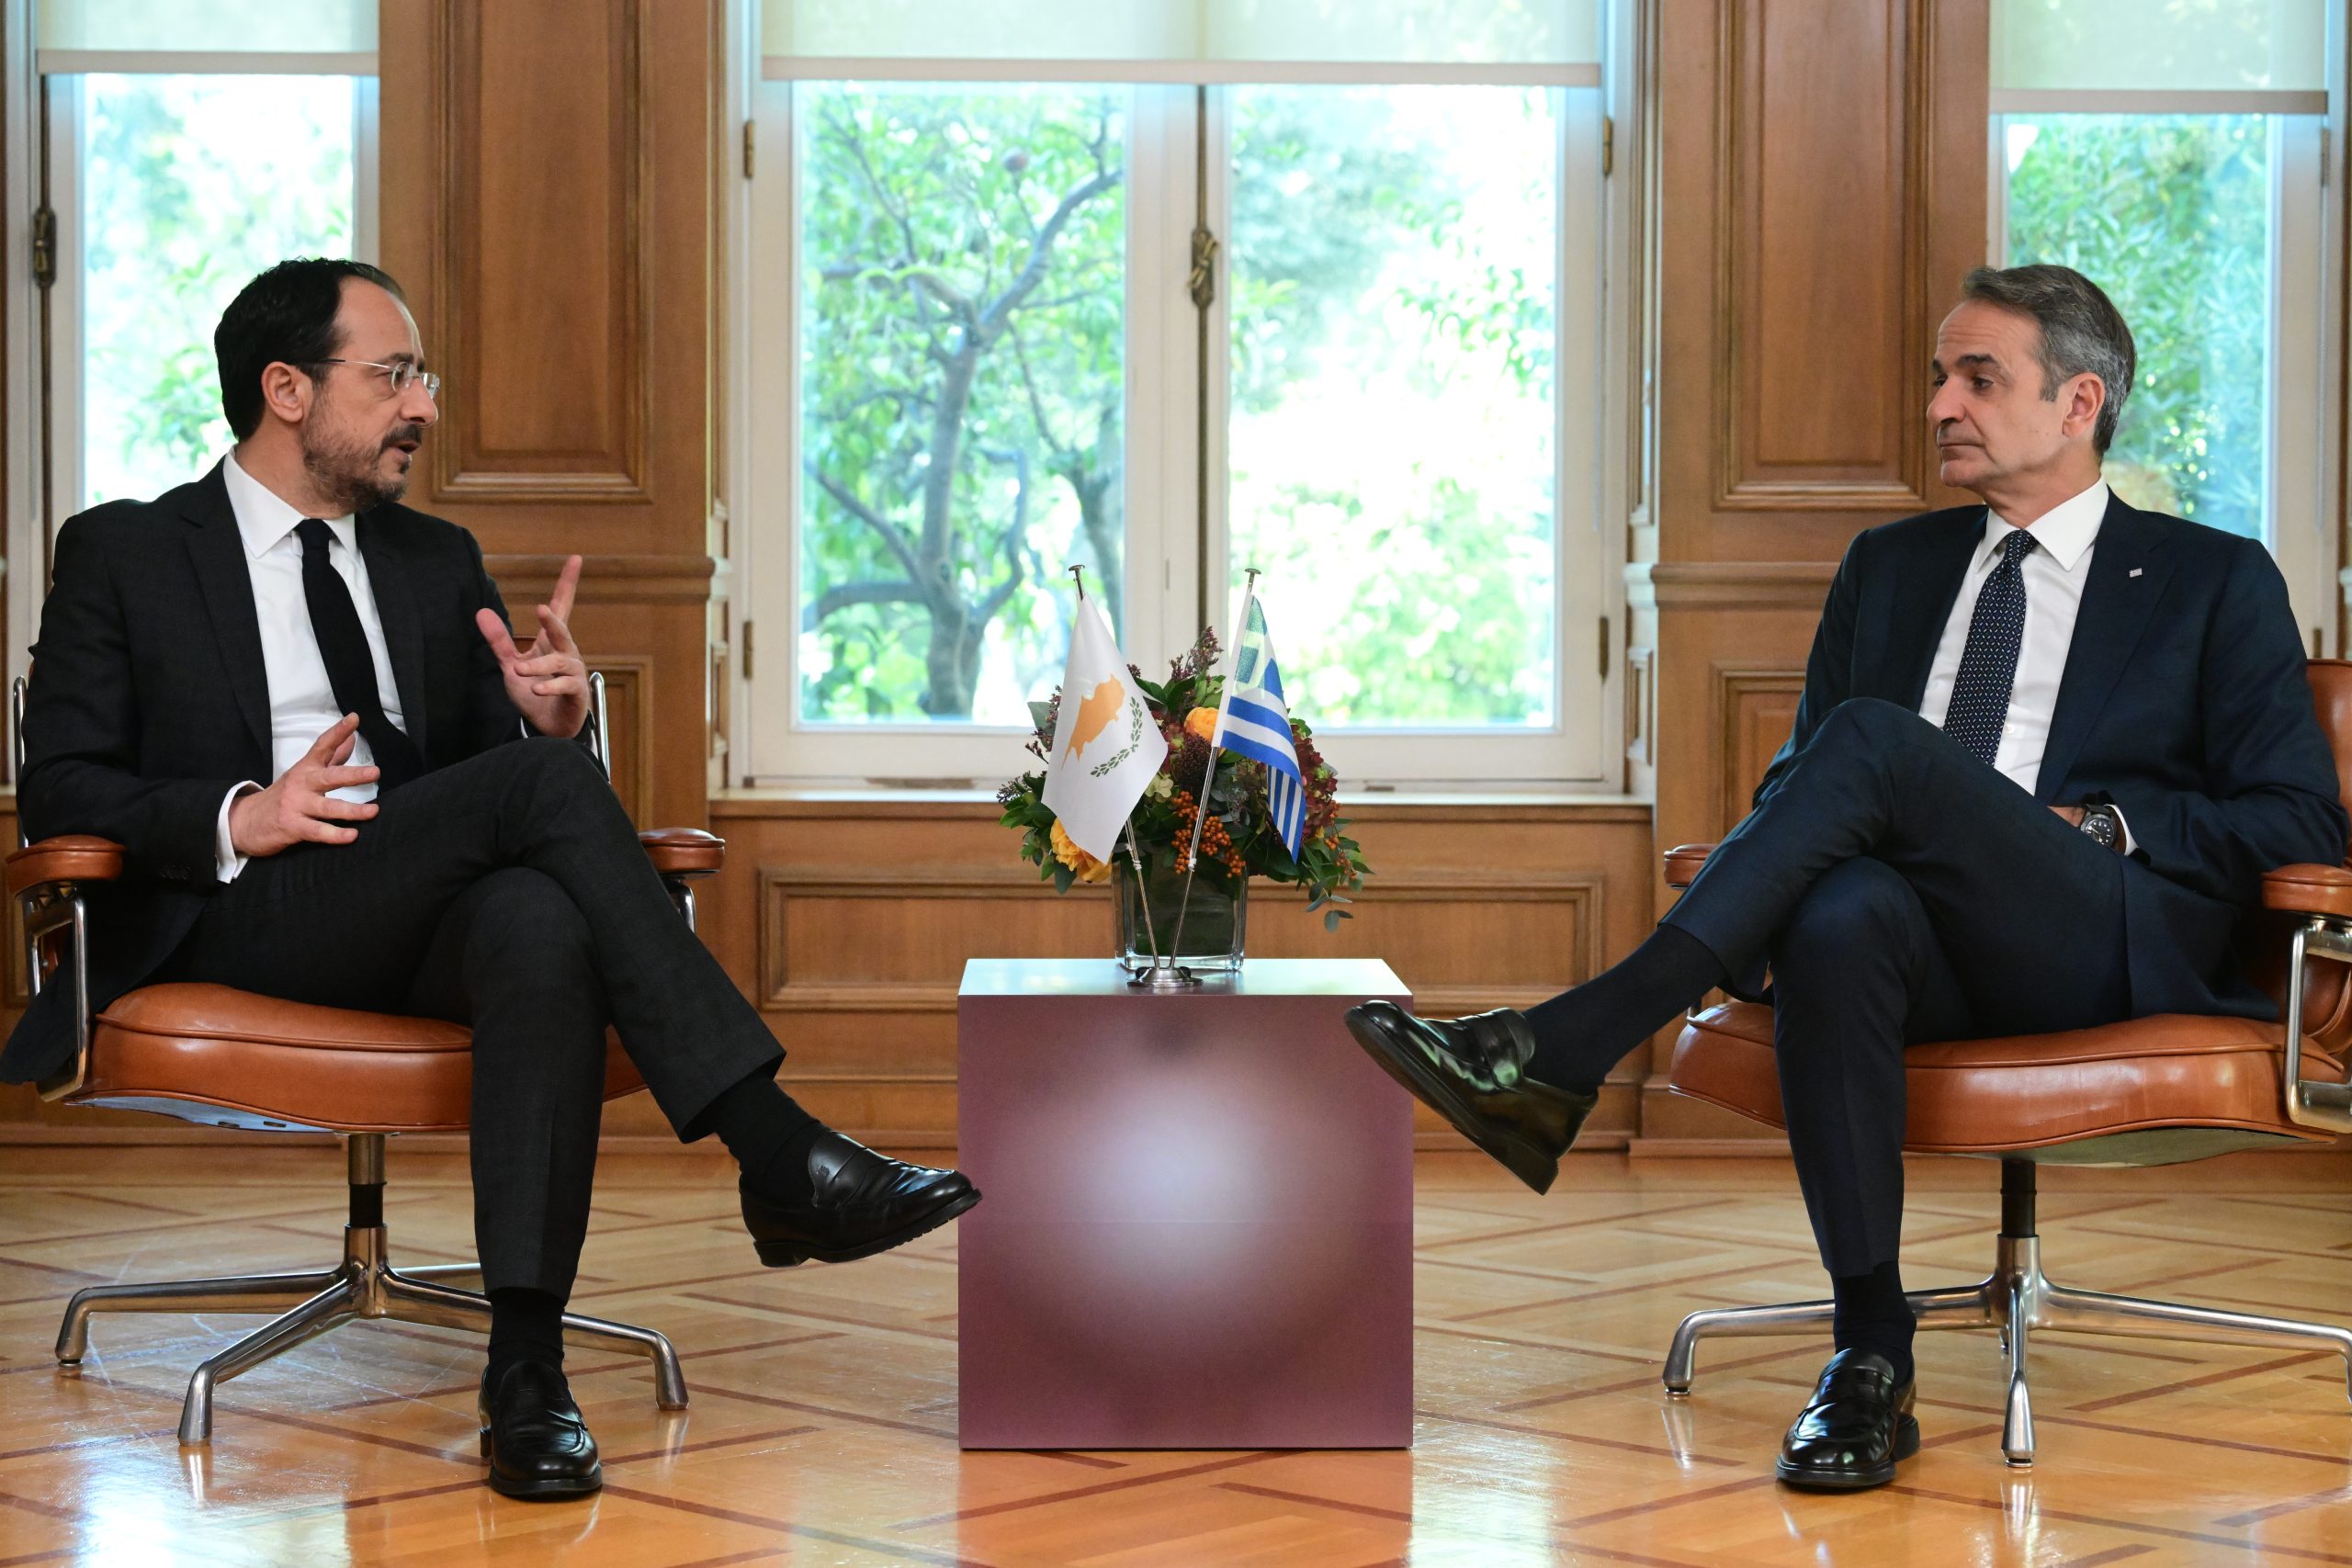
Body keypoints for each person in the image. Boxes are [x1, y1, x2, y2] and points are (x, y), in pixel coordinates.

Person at [1346, 264, 2346, 1492]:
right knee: (1841, 911)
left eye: (1978, 378)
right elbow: (1797, 787)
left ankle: (1571, 1042)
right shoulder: (1891, 567)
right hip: (1914, 946)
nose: (1940, 406)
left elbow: (2296, 819)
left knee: (1875, 740)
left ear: (2079, 402)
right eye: (1939, 377)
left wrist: (2098, 825)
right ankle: (1870, 1351)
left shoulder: (2211, 577)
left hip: (2098, 940)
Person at [1, 258, 980, 1502]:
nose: (423, 405)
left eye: (425, 377)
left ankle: (527, 1373)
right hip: (240, 907)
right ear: (288, 389)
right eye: (393, 376)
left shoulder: (434, 556)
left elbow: (495, 802)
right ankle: (774, 1152)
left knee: (534, 923)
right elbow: (64, 788)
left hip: (410, 906)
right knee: (537, 804)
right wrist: (247, 813)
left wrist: (549, 725)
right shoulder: (129, 549)